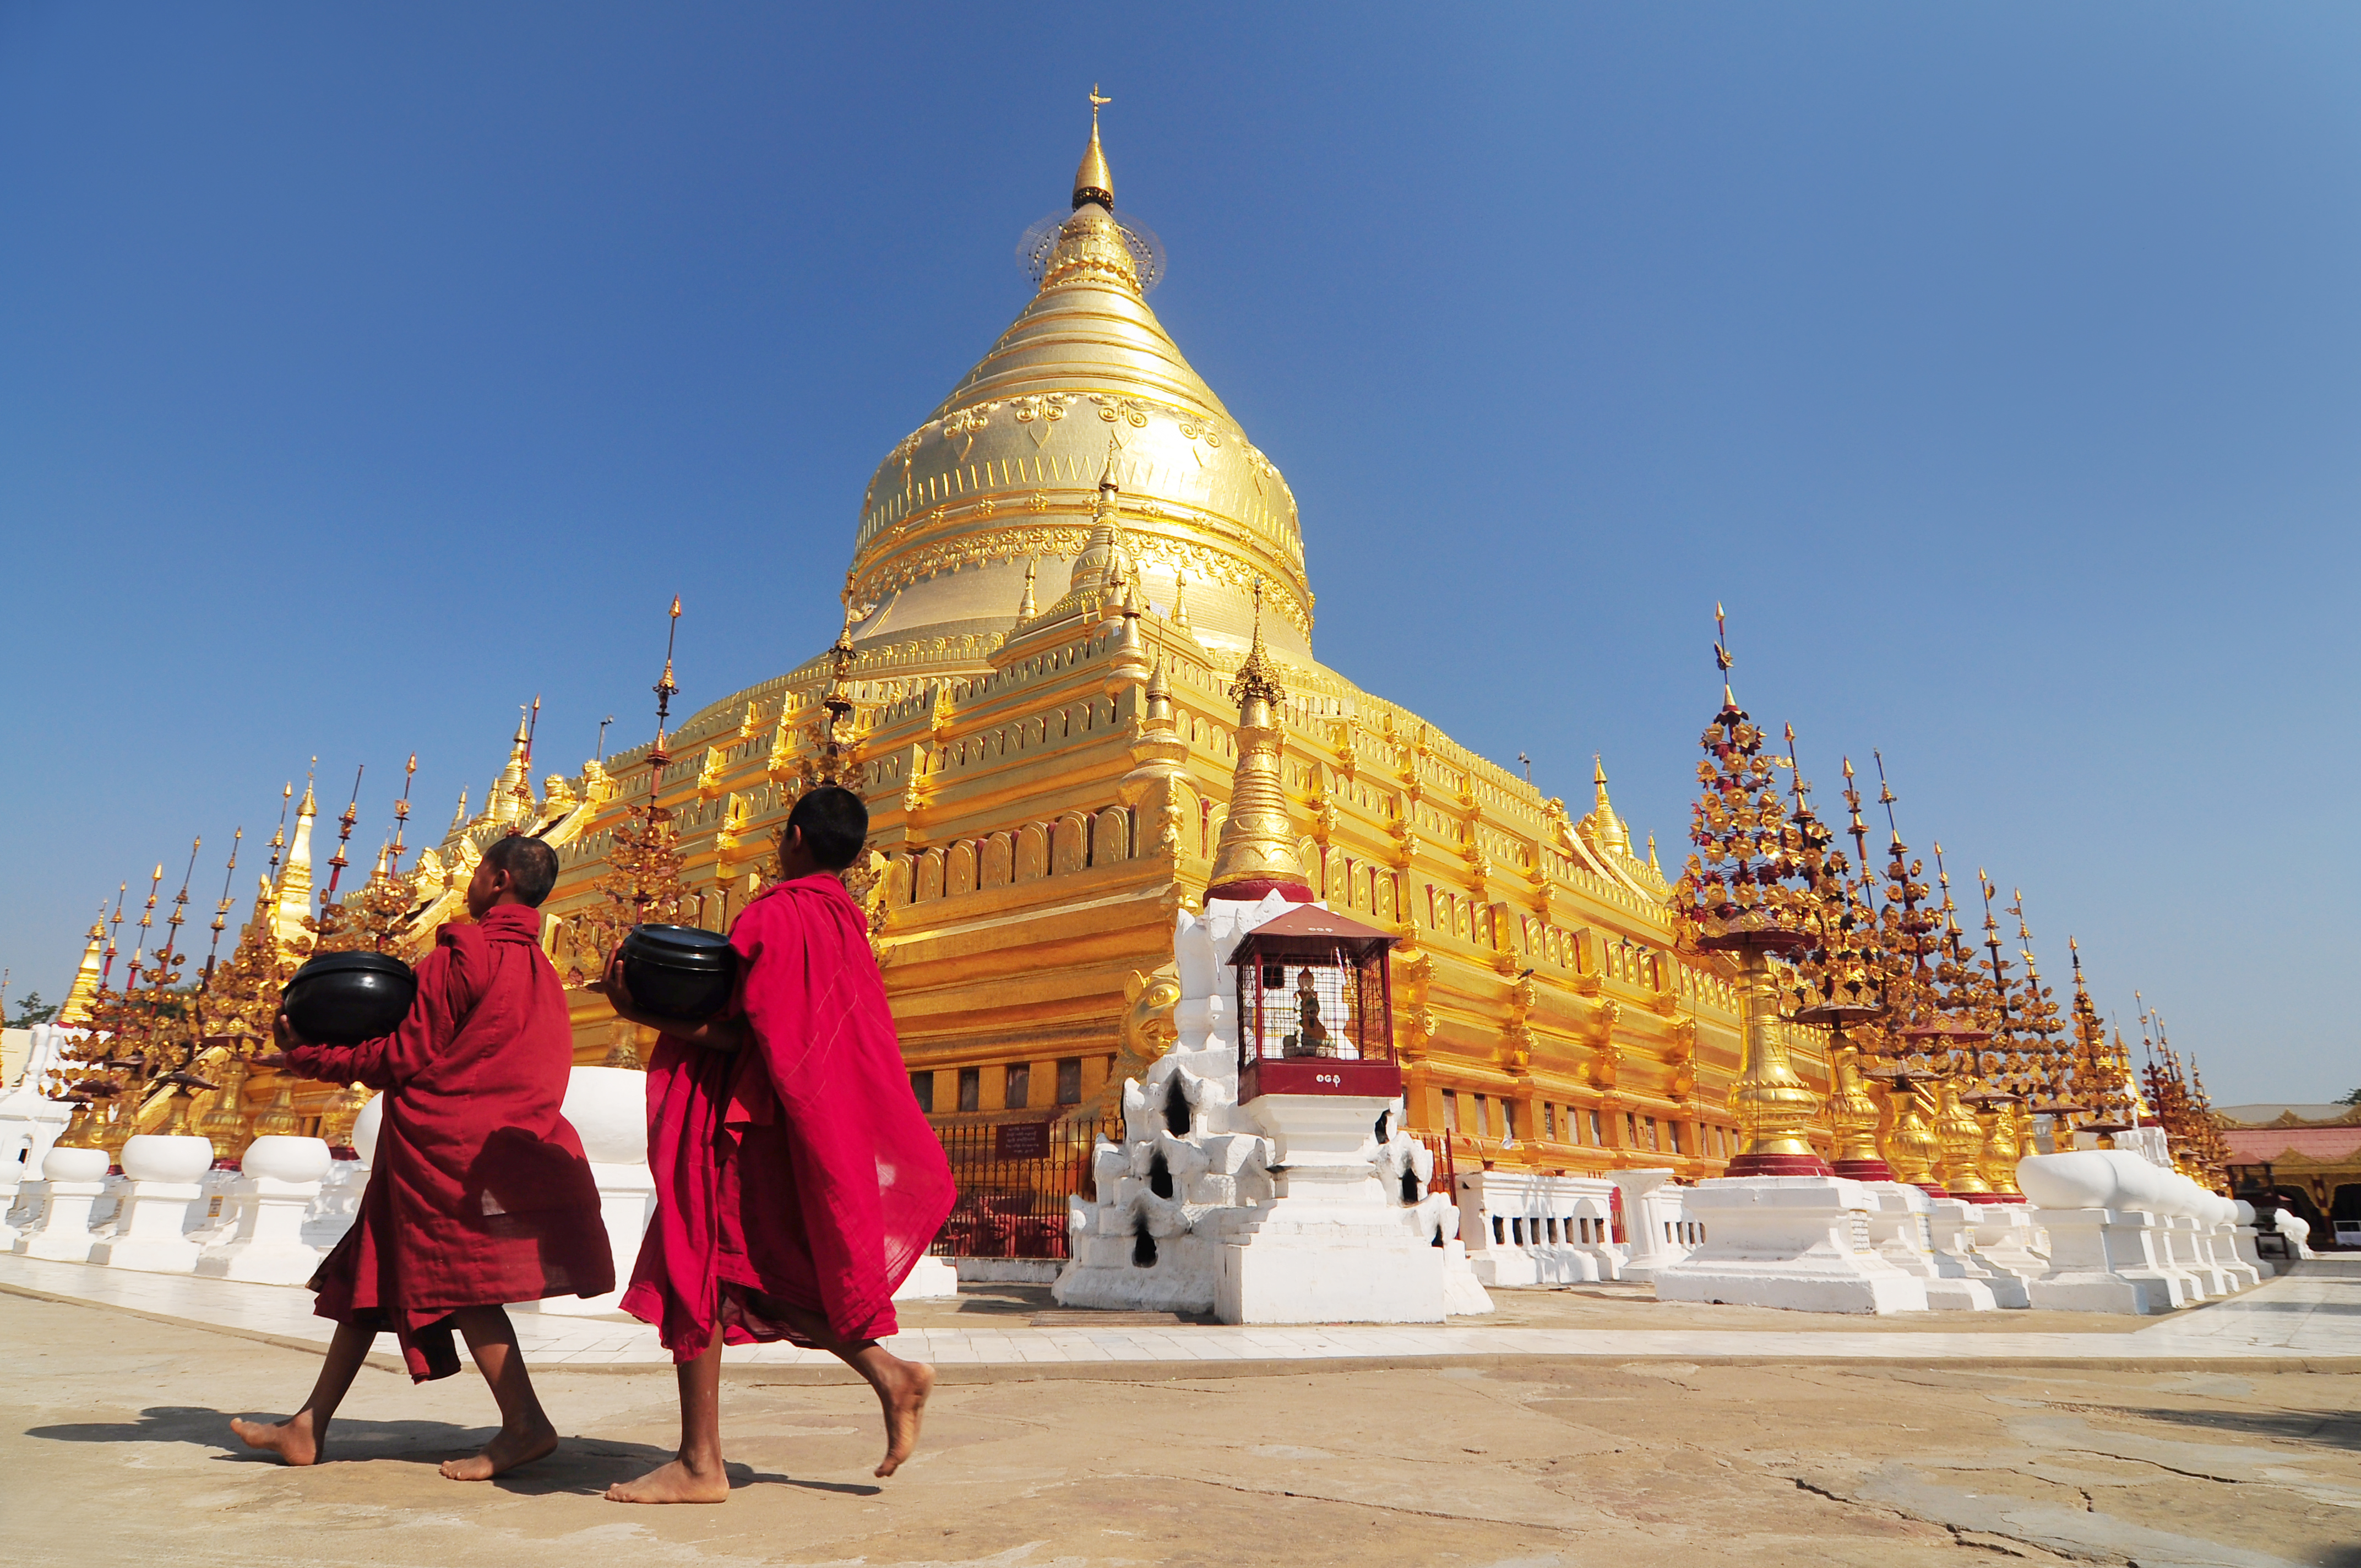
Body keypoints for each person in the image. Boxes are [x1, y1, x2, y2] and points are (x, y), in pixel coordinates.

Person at [592, 783, 954, 1502]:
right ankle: (888, 1374)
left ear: (792, 839)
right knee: (746, 1275)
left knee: (697, 1268)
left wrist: (637, 1007)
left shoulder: (777, 917)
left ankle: (701, 1464)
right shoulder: (847, 925)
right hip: (797, 1128)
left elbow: (744, 1033)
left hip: (742, 1131)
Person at [231, 832, 613, 1479]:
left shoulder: (461, 954)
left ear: (496, 881)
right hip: (495, 1142)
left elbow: (401, 1057)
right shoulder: (546, 976)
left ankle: (525, 1423)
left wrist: (307, 1056)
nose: (468, 880)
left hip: (443, 1145)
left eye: (478, 870)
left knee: (462, 1284)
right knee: (367, 1276)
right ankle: (307, 1425)